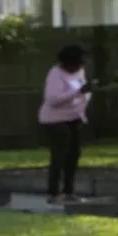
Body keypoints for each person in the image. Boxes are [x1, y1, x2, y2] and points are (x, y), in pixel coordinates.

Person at [40, 44, 92, 203]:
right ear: (67, 63)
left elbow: (84, 94)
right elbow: (52, 99)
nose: (79, 66)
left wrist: (81, 111)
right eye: (76, 63)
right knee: (60, 154)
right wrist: (77, 92)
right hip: (54, 119)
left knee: (74, 154)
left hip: (73, 118)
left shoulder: (79, 72)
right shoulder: (55, 74)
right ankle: (53, 193)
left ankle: (69, 191)